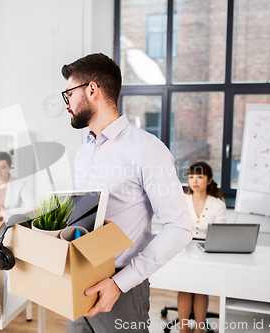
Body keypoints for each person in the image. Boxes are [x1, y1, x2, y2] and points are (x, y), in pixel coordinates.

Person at [61, 53, 192, 332]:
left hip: (121, 288)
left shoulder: (147, 149)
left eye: (69, 94)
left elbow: (180, 225)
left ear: (92, 90)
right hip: (78, 282)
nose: (67, 105)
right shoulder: (83, 153)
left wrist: (120, 283)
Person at [177, 161, 227, 333]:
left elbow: (220, 234)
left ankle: (199, 329)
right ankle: (183, 329)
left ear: (209, 180)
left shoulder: (217, 204)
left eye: (200, 176)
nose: (194, 181)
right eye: (191, 177)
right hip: (184, 248)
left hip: (209, 249)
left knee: (200, 288)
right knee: (184, 286)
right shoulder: (182, 200)